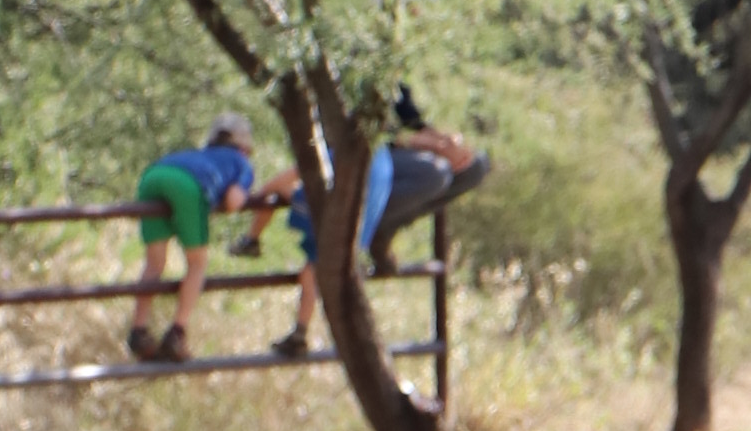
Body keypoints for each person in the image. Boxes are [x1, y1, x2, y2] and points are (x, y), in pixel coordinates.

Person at [238, 94, 489, 356]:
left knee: (315, 260)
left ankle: (256, 247)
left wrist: (257, 205)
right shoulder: (376, 159)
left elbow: (287, 179)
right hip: (355, 222)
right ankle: (303, 330)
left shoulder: (347, 153)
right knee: (318, 266)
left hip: (336, 212)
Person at [127, 115, 266, 362]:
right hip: (189, 186)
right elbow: (234, 201)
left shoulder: (198, 154)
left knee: (154, 263)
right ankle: (177, 333)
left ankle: (139, 330)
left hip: (154, 175)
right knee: (197, 263)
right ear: (245, 146)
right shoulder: (241, 163)